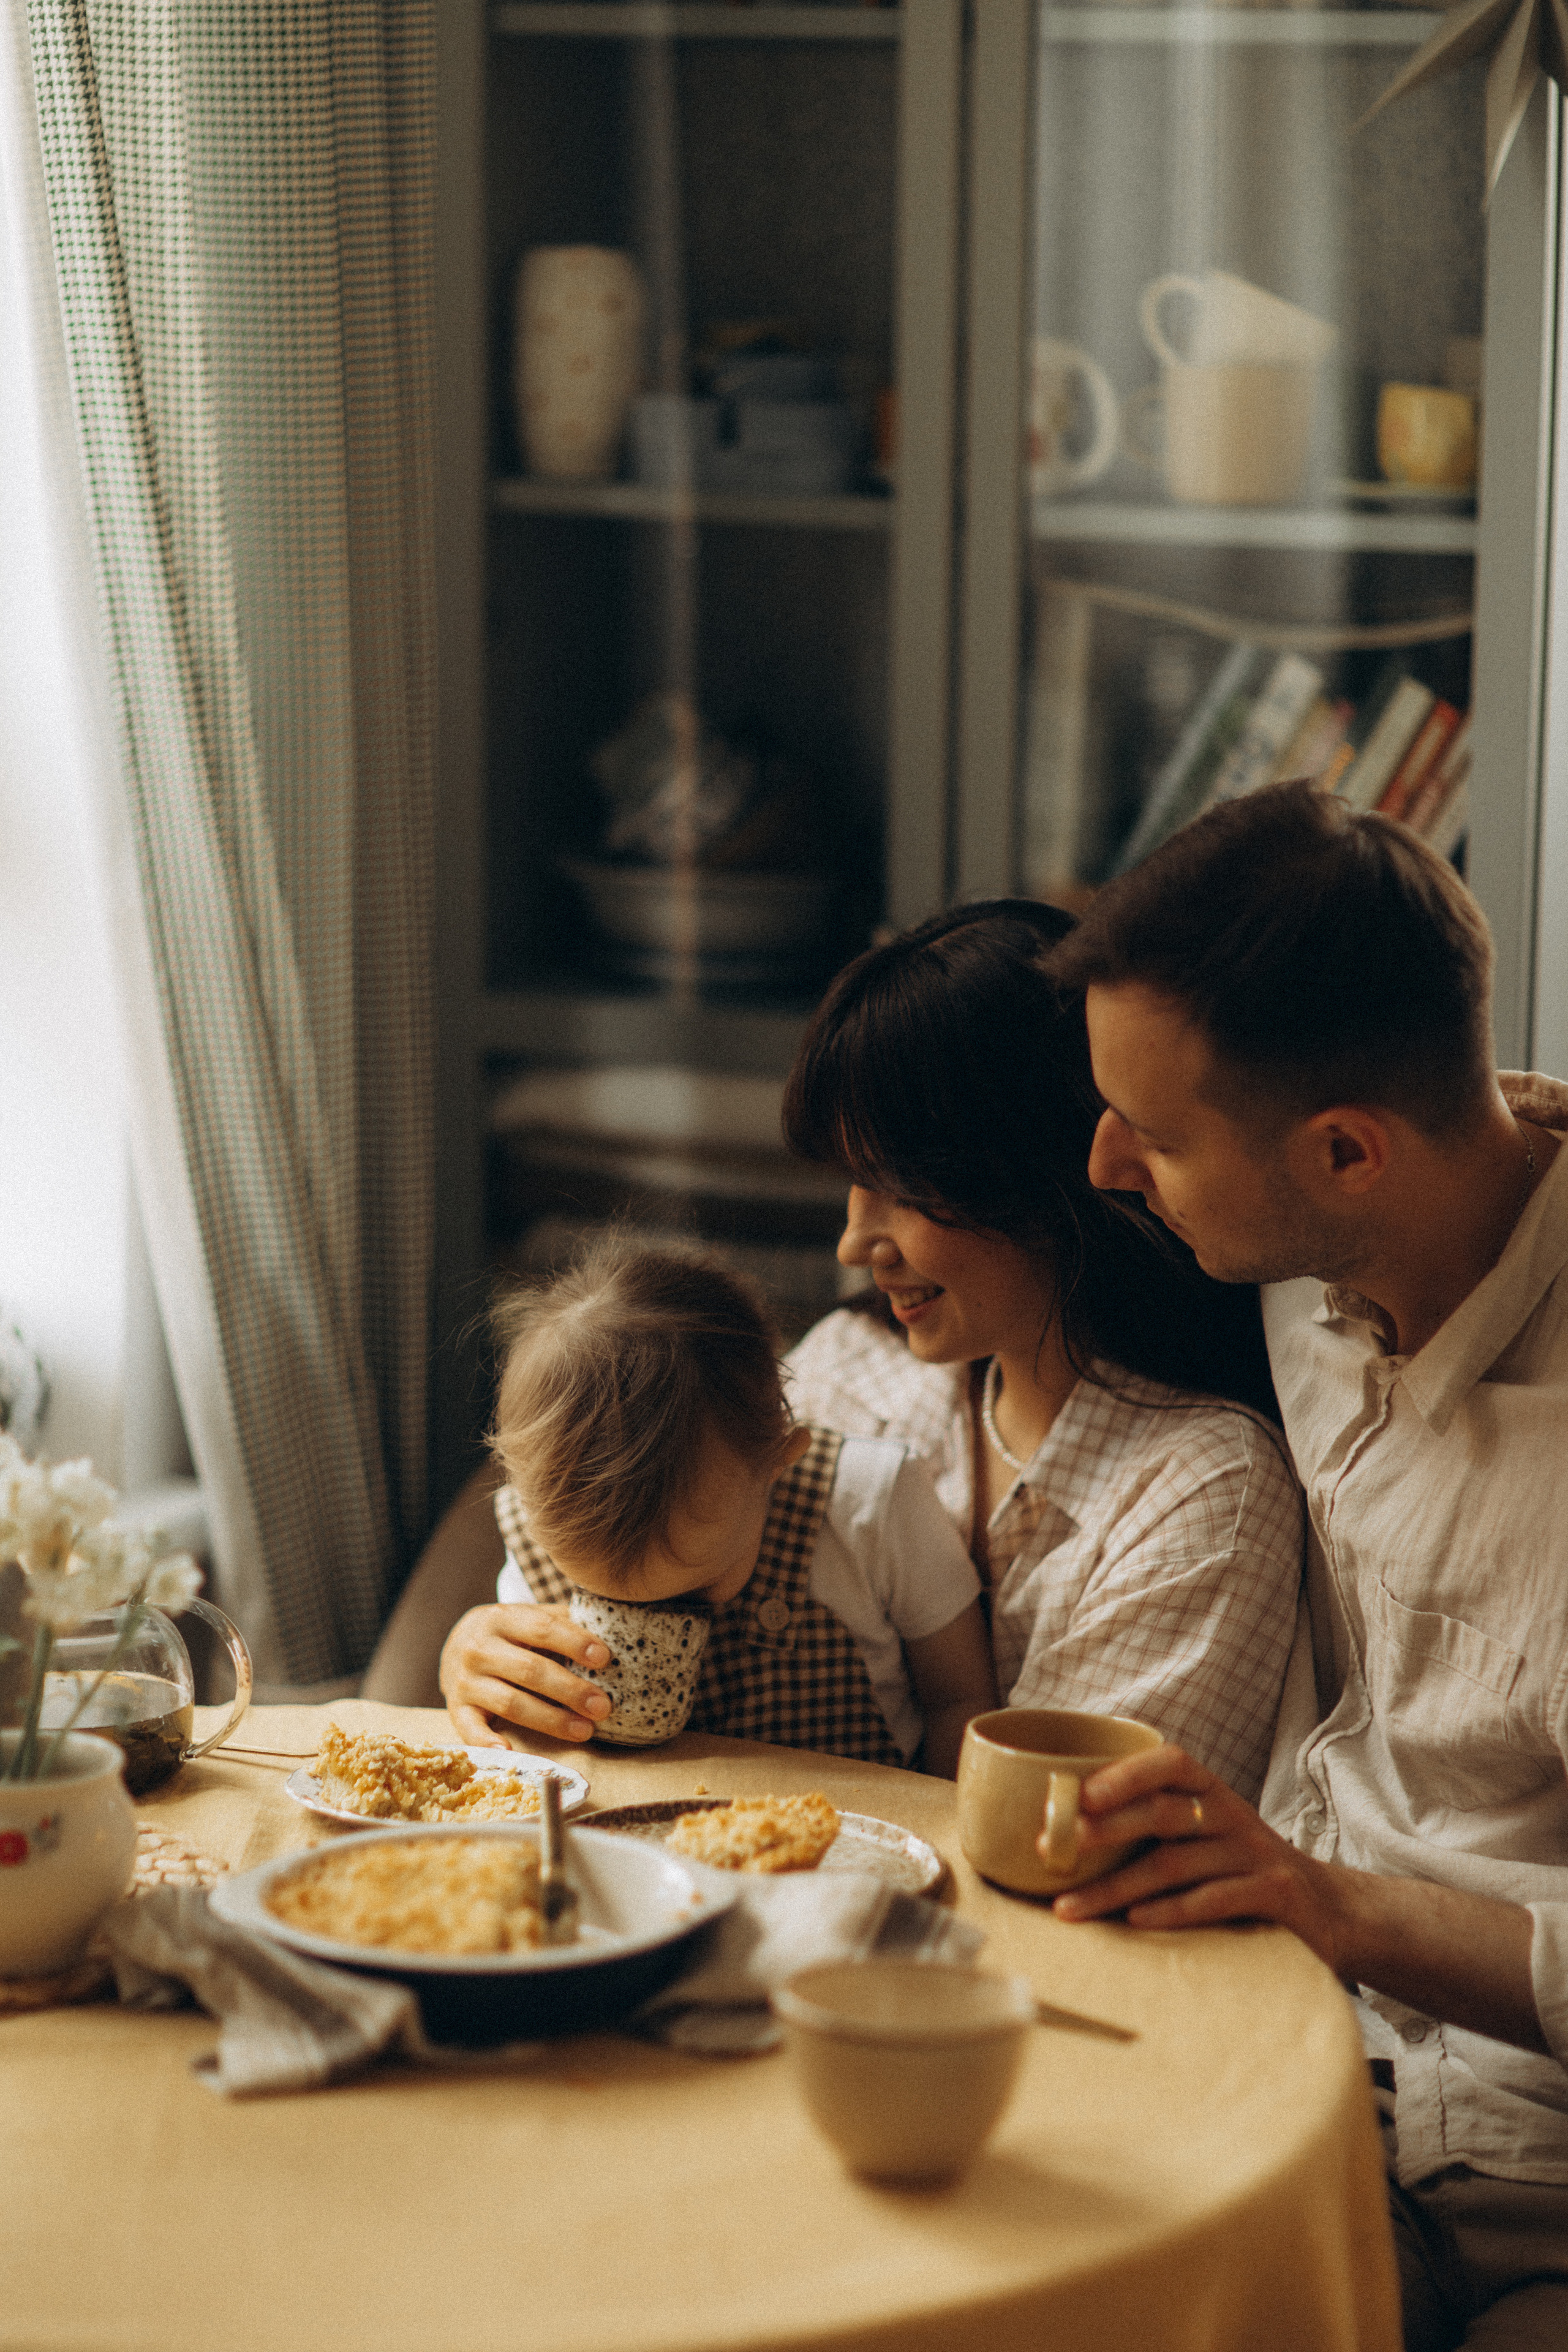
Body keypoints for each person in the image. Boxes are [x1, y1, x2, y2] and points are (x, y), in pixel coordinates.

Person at [1039, 780, 1568, 2347]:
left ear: (1344, 1152)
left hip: (1521, 2181)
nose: (1102, 1167)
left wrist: (1323, 1902)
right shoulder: (1315, 1247)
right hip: (1268, 2050)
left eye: (1154, 1137)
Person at [435, 901, 1303, 1803]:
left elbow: (1056, 1836)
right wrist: (484, 1657)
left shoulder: (1197, 1496)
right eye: (853, 1182)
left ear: (1044, 1180)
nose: (854, 1243)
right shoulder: (855, 1366)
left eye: (901, 1188)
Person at [439, 1238, 997, 1775]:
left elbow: (959, 1701)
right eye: (601, 1598)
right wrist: (473, 1670)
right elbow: (520, 1710)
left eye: (695, 1591)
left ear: (777, 1461)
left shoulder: (874, 1500)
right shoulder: (536, 1533)